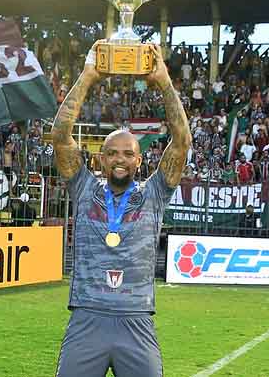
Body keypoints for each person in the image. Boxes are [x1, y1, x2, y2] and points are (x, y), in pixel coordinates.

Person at [51, 42, 190, 377]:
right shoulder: (84, 188)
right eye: (112, 153)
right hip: (87, 316)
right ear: (100, 158)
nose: (120, 159)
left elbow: (182, 141)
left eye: (128, 153)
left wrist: (164, 82)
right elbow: (59, 137)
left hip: (136, 319)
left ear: (139, 161)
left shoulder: (155, 193)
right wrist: (88, 76)